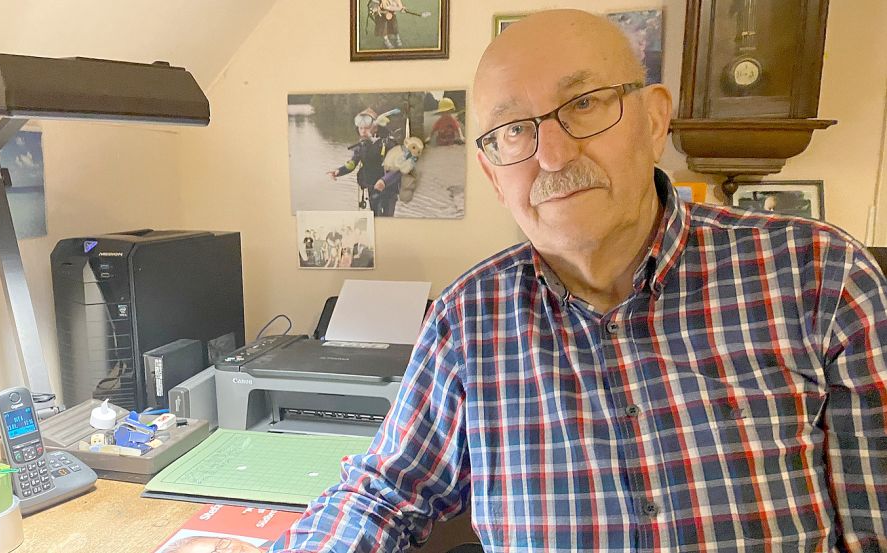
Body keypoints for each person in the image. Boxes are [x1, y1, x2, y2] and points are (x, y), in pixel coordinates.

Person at [273, 9, 887, 552]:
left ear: (653, 119)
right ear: (492, 174)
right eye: (514, 129)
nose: (554, 155)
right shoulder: (469, 318)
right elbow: (383, 492)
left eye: (584, 105)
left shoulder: (819, 277)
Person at [328, 108, 400, 216]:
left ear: (376, 127)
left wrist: (383, 181)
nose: (363, 130)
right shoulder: (362, 145)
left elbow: (398, 169)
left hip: (388, 191)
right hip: (372, 189)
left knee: (386, 220)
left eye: (366, 127)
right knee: (374, 219)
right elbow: (352, 163)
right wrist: (339, 171)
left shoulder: (389, 143)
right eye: (360, 128)